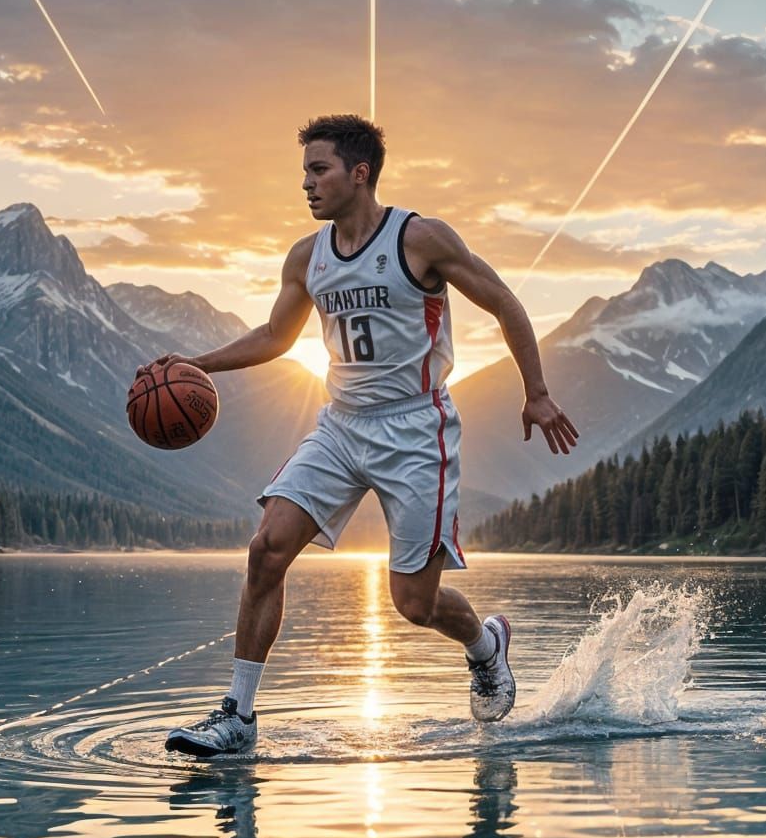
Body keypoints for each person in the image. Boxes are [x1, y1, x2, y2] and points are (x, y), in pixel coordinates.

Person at [145, 113, 576, 756]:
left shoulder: (420, 239)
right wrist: (195, 365)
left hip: (415, 431)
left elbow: (504, 300)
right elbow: (274, 338)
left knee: (413, 603)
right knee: (266, 548)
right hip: (341, 426)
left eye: (318, 171)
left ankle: (486, 645)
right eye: (304, 173)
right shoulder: (307, 257)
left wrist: (536, 391)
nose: (307, 185)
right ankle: (236, 717)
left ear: (359, 173)